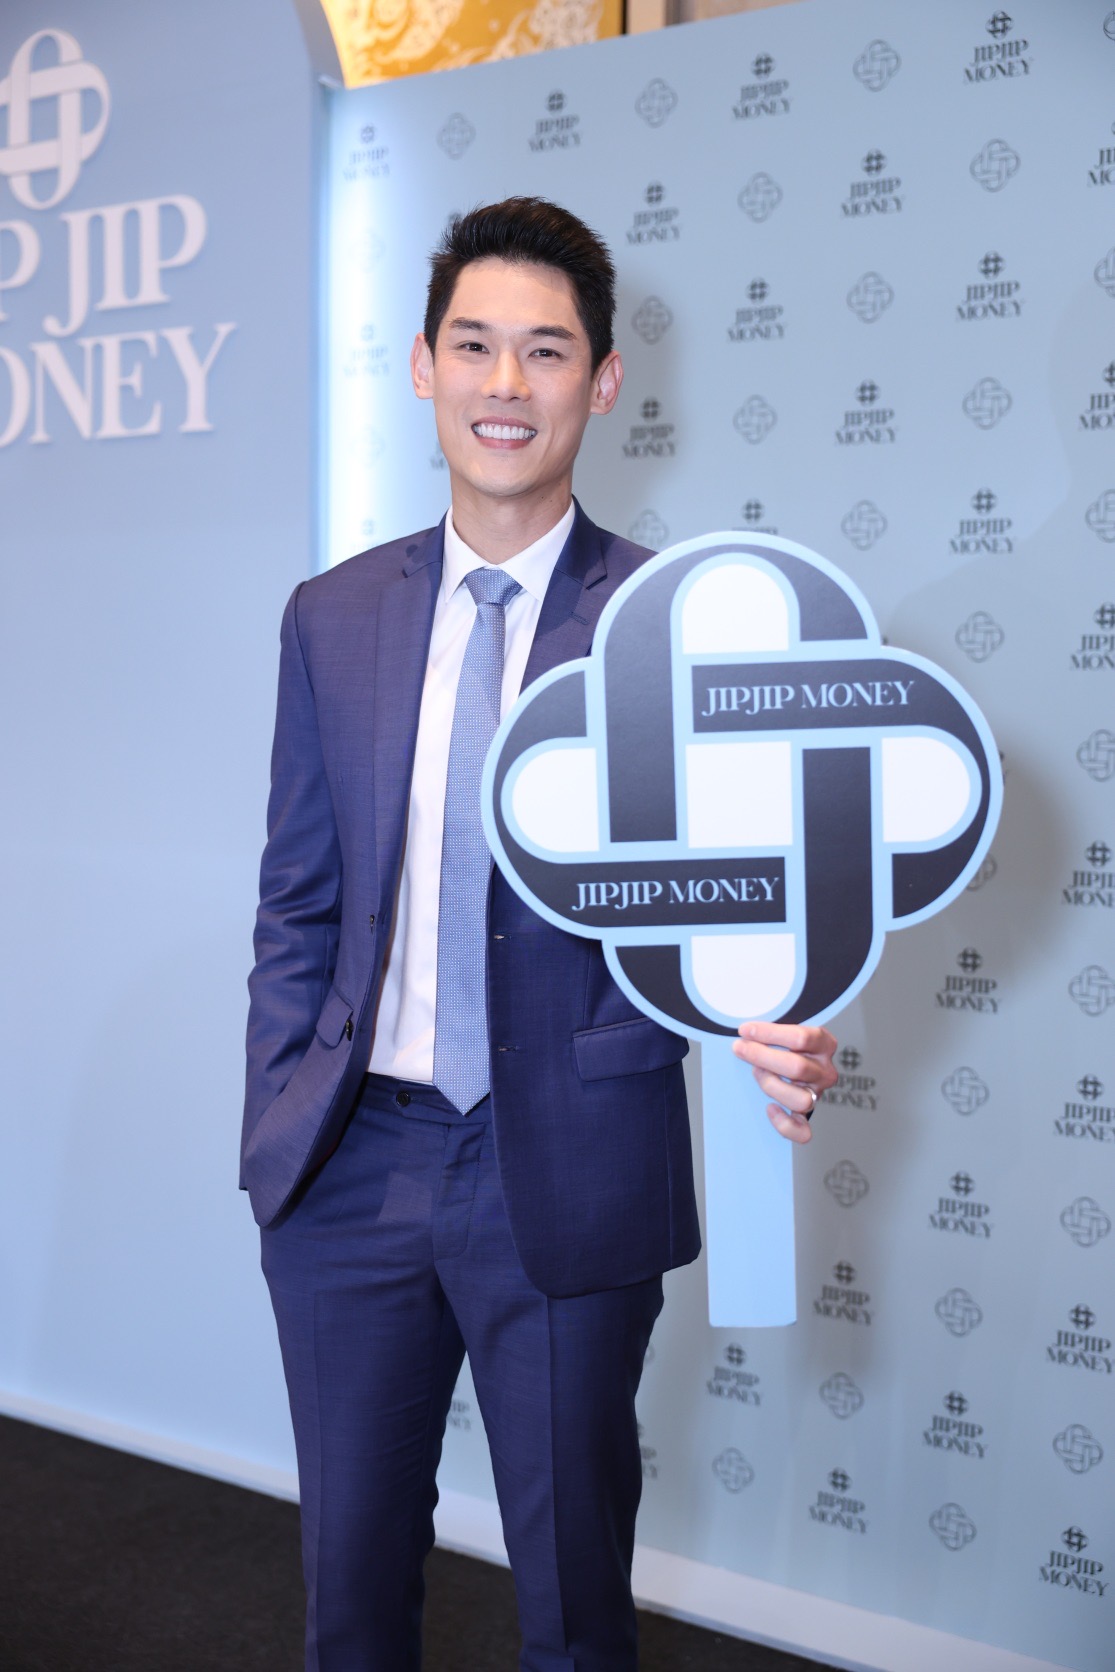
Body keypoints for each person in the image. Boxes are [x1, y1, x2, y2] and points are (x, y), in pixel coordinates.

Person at [242, 197, 838, 1672]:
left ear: (604, 381)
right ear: (422, 367)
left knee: (573, 1605)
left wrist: (783, 1020)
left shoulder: (673, 621)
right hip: (352, 1166)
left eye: (547, 351)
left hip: (569, 1169)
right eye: (474, 346)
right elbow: (299, 898)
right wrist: (278, 1116)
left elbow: (746, 899)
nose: (505, 384)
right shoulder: (332, 616)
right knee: (346, 1595)